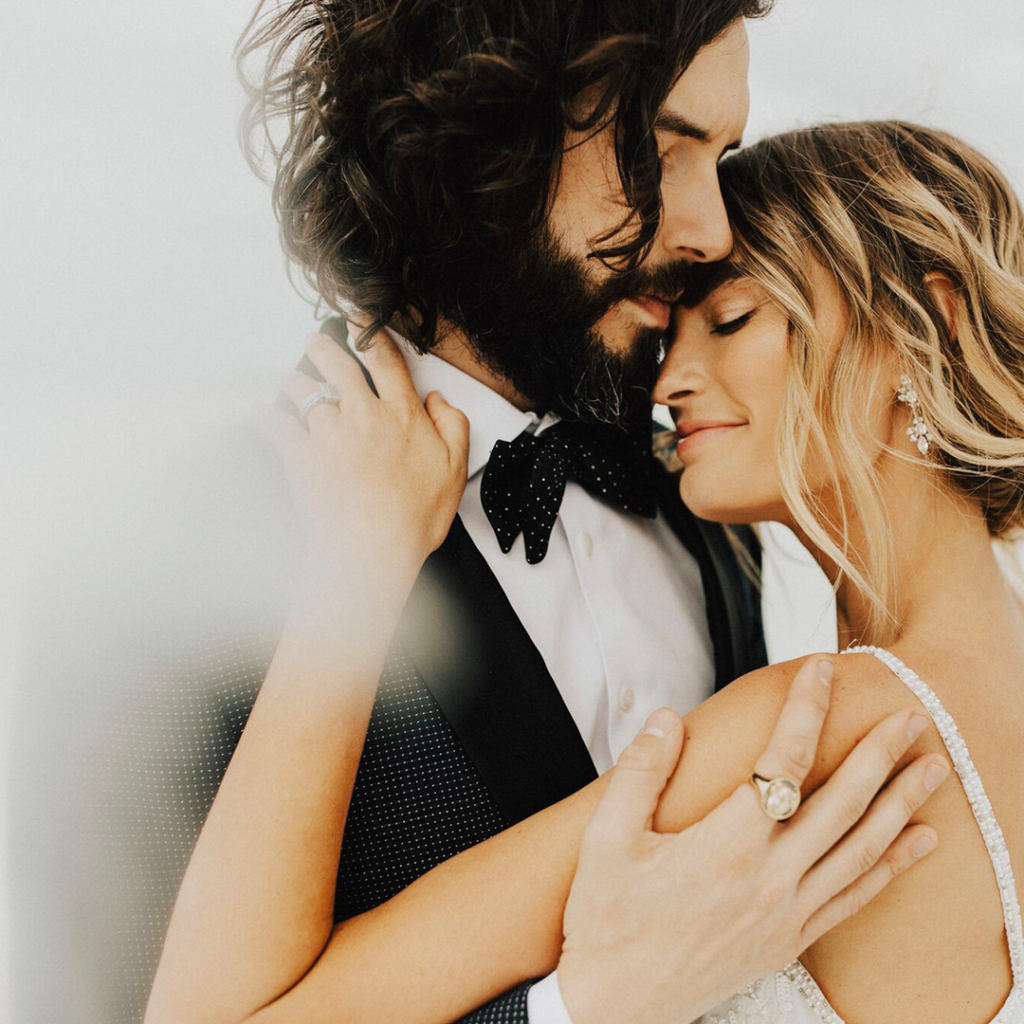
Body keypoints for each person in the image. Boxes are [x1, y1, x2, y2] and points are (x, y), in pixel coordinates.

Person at [148, 119, 1024, 1024]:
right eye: (671, 332)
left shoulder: (811, 732)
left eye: (731, 319)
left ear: (931, 320)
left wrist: (358, 565)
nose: (669, 377)